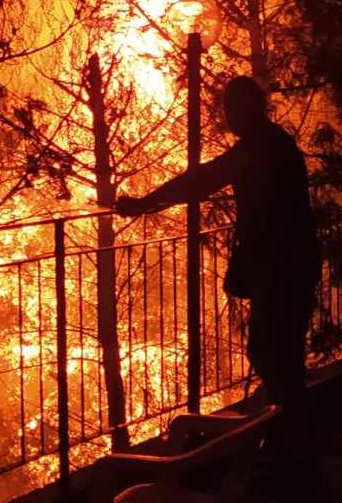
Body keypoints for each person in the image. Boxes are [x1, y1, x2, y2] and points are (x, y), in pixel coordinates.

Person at [116, 76, 321, 478]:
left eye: (231, 108)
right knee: (284, 355)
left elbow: (201, 179)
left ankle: (292, 450)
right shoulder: (276, 143)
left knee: (269, 352)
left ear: (248, 109)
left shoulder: (258, 149)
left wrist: (145, 204)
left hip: (280, 267)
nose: (227, 116)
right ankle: (292, 446)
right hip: (294, 264)